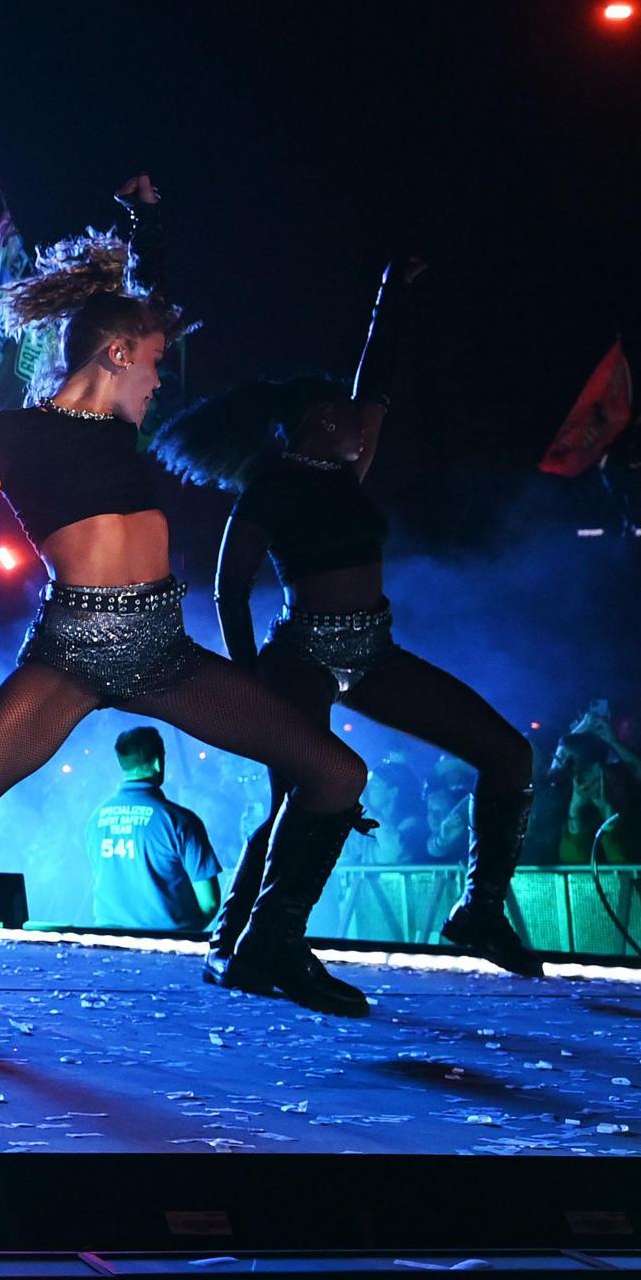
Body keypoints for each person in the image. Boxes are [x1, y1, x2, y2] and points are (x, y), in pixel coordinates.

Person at [0, 229, 373, 1046]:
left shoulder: (123, 429)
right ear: (116, 353)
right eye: (151, 363)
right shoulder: (7, 434)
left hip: (163, 649)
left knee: (337, 773)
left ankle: (269, 943)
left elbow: (148, 309)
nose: (159, 381)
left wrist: (144, 233)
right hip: (71, 653)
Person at [160, 356, 541, 978]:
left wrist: (392, 292)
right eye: (346, 417)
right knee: (299, 798)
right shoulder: (270, 488)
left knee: (509, 755)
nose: (362, 429)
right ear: (319, 419)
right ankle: (240, 940)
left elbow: (377, 387)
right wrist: (249, 676)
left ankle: (481, 910)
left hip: (374, 655)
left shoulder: (348, 471)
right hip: (300, 658)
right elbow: (229, 589)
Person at [87, 727, 222, 934]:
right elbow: (210, 902)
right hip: (168, 947)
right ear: (158, 762)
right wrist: (184, 935)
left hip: (108, 941)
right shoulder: (180, 821)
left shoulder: (96, 819)